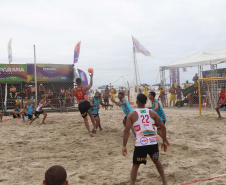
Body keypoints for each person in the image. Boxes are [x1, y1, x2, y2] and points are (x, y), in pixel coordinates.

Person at [122, 93, 168, 185]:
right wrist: (164, 141)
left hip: (141, 144)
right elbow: (163, 127)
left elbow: (126, 131)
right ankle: (165, 182)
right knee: (157, 162)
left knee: (135, 166)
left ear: (136, 102)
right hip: (153, 142)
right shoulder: (152, 113)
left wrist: (124, 146)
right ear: (146, 102)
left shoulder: (132, 115)